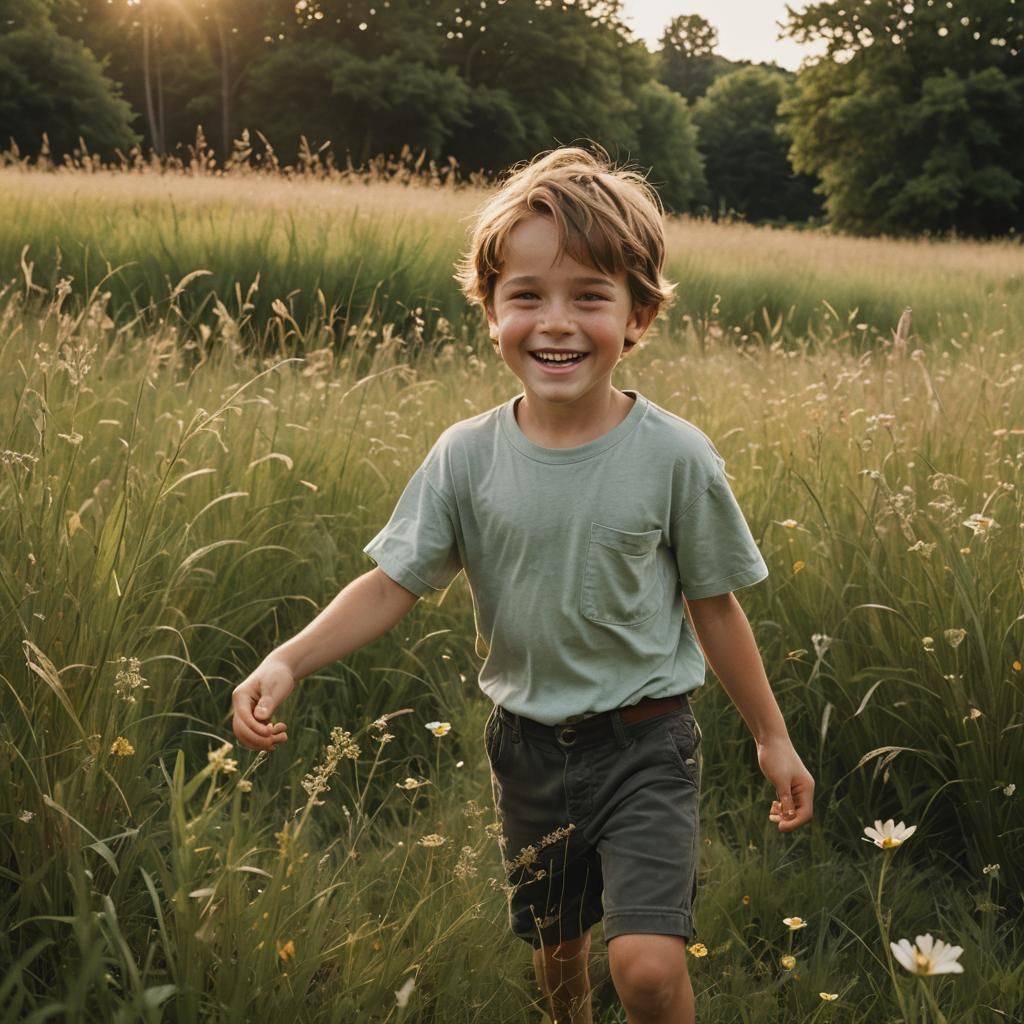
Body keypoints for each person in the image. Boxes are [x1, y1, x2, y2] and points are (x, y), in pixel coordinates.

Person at [232, 146, 814, 1024]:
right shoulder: (466, 456)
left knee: (648, 968)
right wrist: (288, 659)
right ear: (490, 311)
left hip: (647, 743)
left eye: (590, 295)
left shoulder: (674, 457)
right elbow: (392, 583)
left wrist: (772, 737)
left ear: (639, 314)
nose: (557, 322)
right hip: (529, 749)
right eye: (527, 297)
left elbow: (715, 605)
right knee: (558, 954)